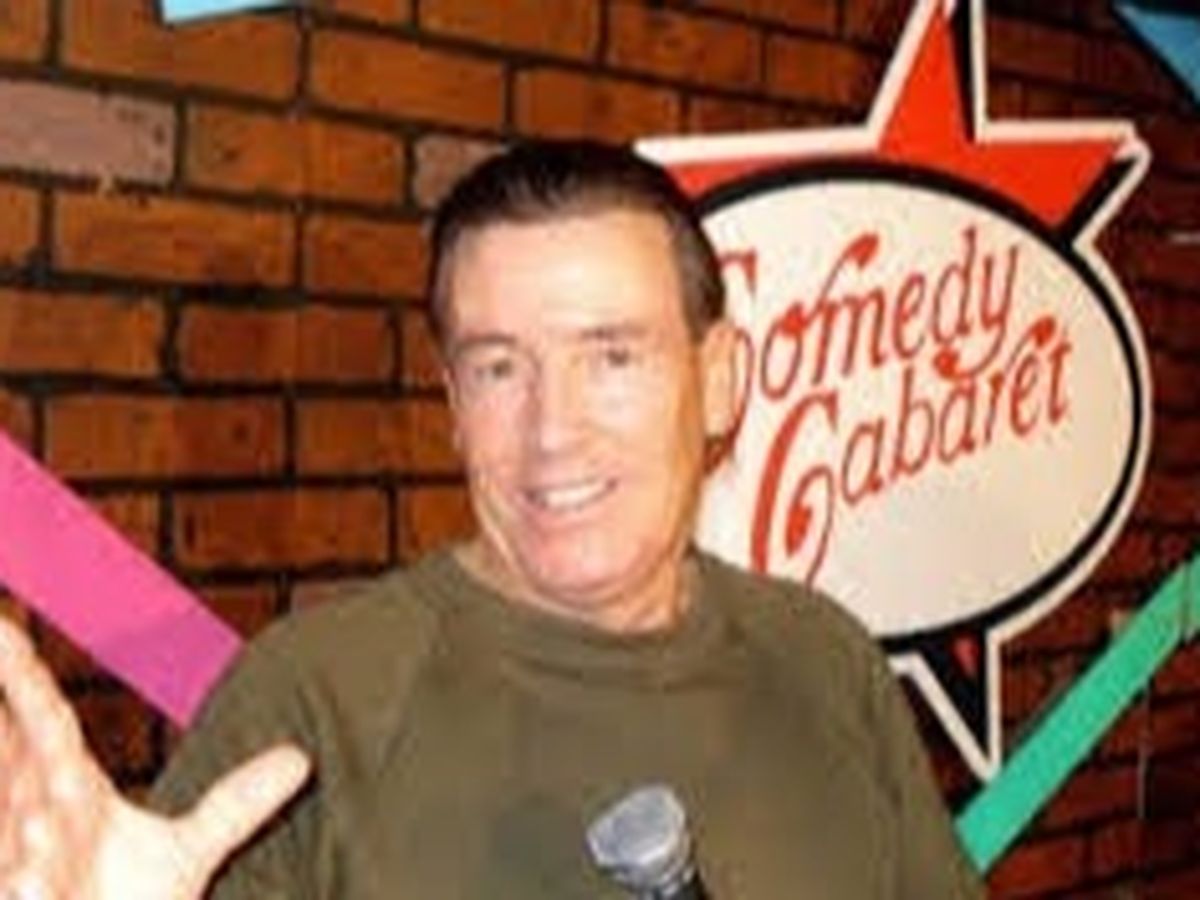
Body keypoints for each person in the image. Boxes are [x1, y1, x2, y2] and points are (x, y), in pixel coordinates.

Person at [0, 140, 984, 898]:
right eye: (500, 367)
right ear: (454, 406)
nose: (553, 432)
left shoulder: (823, 660)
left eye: (613, 356)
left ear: (720, 379)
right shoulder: (313, 706)